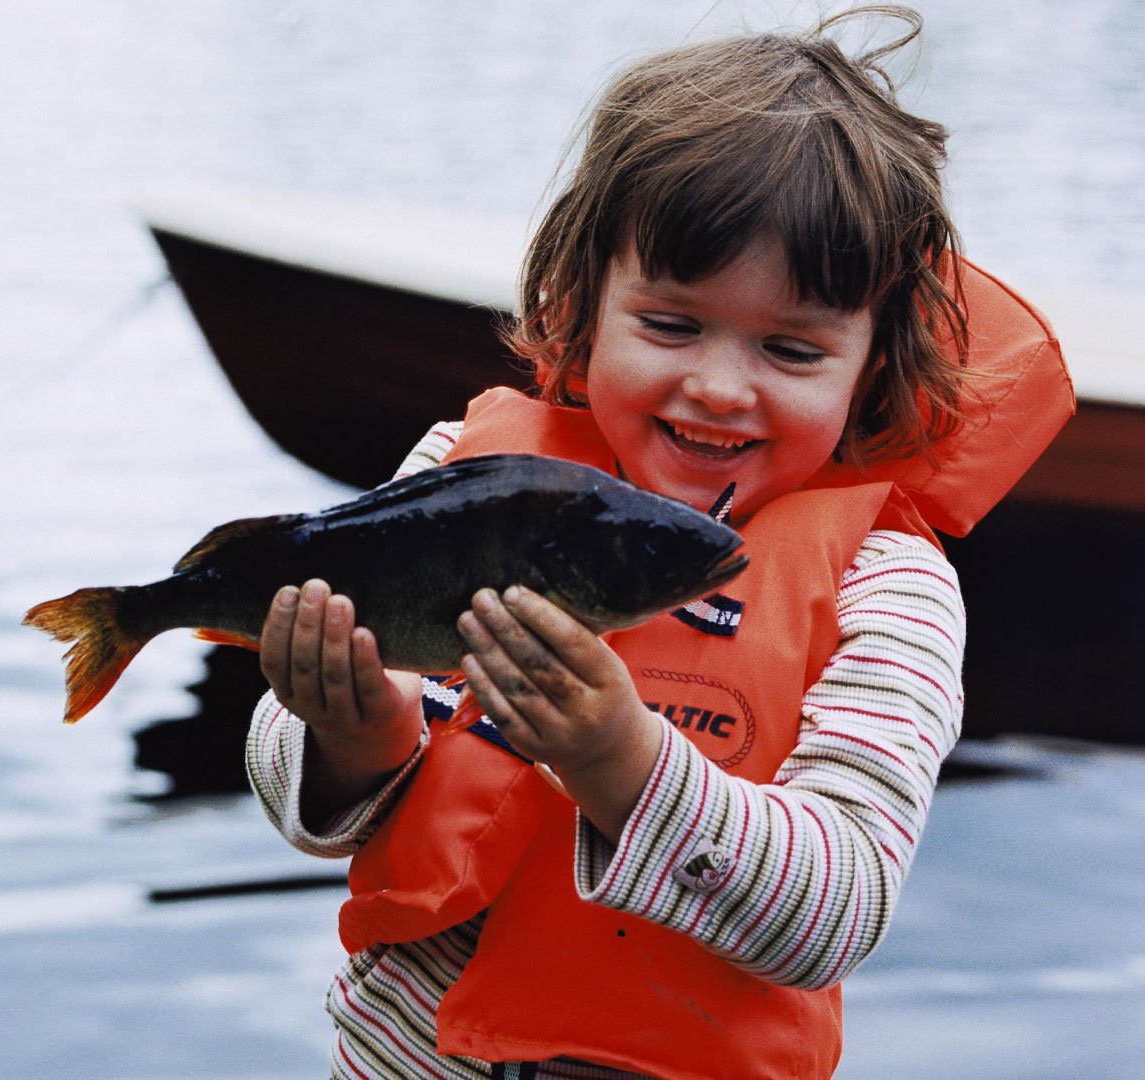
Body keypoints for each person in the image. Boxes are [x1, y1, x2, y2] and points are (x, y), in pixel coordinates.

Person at [246, 7, 1071, 1078]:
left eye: (791, 348)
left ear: (874, 366)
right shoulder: (462, 471)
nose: (720, 387)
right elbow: (309, 800)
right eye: (673, 325)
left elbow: (836, 914)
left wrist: (617, 760)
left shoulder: (891, 589)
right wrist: (347, 737)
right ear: (583, 305)